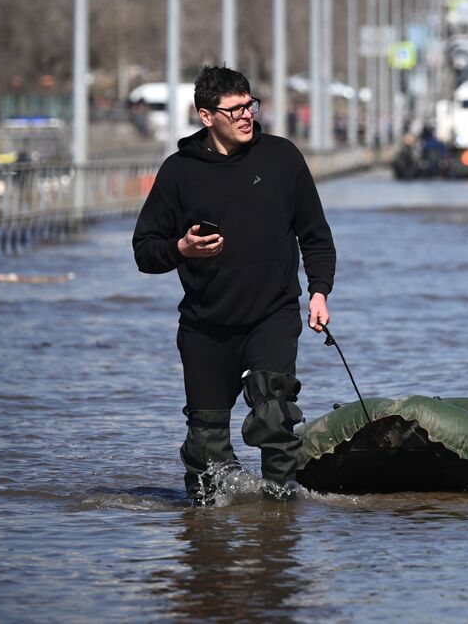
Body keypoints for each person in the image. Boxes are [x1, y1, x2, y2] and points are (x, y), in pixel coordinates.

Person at [132, 65, 336, 505]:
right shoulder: (178, 172)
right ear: (206, 116)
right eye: (235, 109)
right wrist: (181, 249)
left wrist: (319, 291)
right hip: (206, 324)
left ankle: (280, 518)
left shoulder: (282, 158)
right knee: (205, 446)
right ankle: (210, 541)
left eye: (250, 105)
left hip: (273, 314)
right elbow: (144, 251)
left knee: (273, 414)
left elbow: (315, 235)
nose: (247, 116)